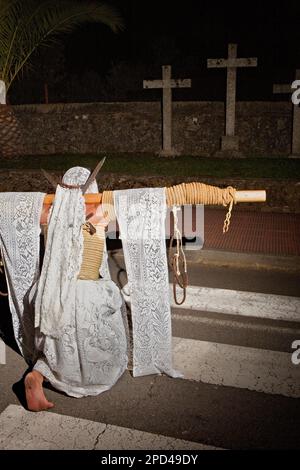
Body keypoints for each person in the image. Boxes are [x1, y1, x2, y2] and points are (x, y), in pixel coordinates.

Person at [24, 166, 128, 412]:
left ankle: (38, 376)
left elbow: (19, 213)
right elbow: (134, 207)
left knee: (58, 350)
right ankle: (87, 376)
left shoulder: (51, 212)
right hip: (89, 296)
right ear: (91, 188)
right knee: (103, 346)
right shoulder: (102, 212)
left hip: (56, 293)